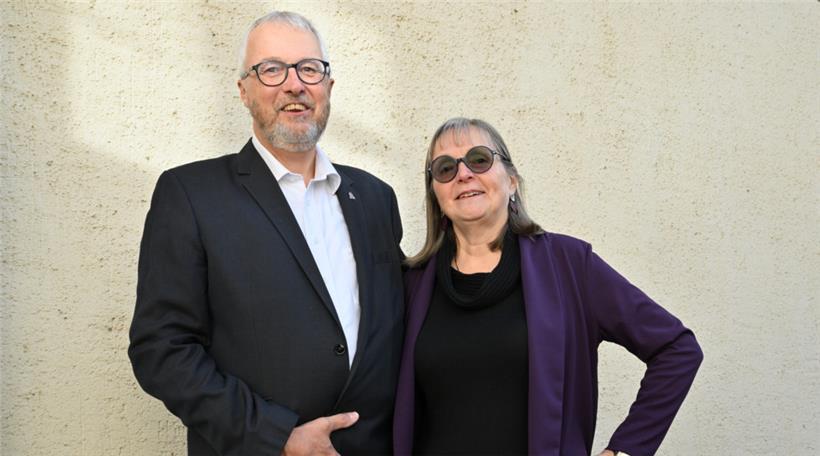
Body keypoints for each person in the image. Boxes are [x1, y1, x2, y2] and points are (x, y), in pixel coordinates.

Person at [128, 11, 404, 456]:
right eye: (271, 69)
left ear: (328, 86)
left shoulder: (375, 198)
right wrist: (277, 437)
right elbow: (161, 349)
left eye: (309, 68)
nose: (294, 85)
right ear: (244, 90)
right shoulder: (191, 195)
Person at [393, 117, 703, 456]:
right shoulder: (412, 283)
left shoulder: (570, 266)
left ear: (511, 181)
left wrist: (624, 451)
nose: (464, 173)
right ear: (436, 194)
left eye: (479, 159)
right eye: (445, 168)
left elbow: (677, 349)